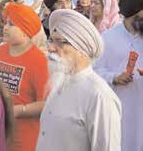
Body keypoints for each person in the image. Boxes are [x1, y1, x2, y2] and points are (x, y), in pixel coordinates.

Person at [36, 9, 121, 151]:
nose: (50, 48)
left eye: (60, 42)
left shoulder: (99, 96)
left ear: (82, 49)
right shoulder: (59, 82)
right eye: (51, 40)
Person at [94, 0, 143, 151]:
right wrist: (114, 77)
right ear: (132, 15)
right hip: (121, 107)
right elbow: (94, 73)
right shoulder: (108, 38)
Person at [0, 3, 49, 151]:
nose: (5, 27)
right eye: (5, 22)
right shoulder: (0, 51)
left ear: (26, 31)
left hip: (26, 139)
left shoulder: (39, 61)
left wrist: (18, 110)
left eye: (11, 24)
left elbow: (47, 104)